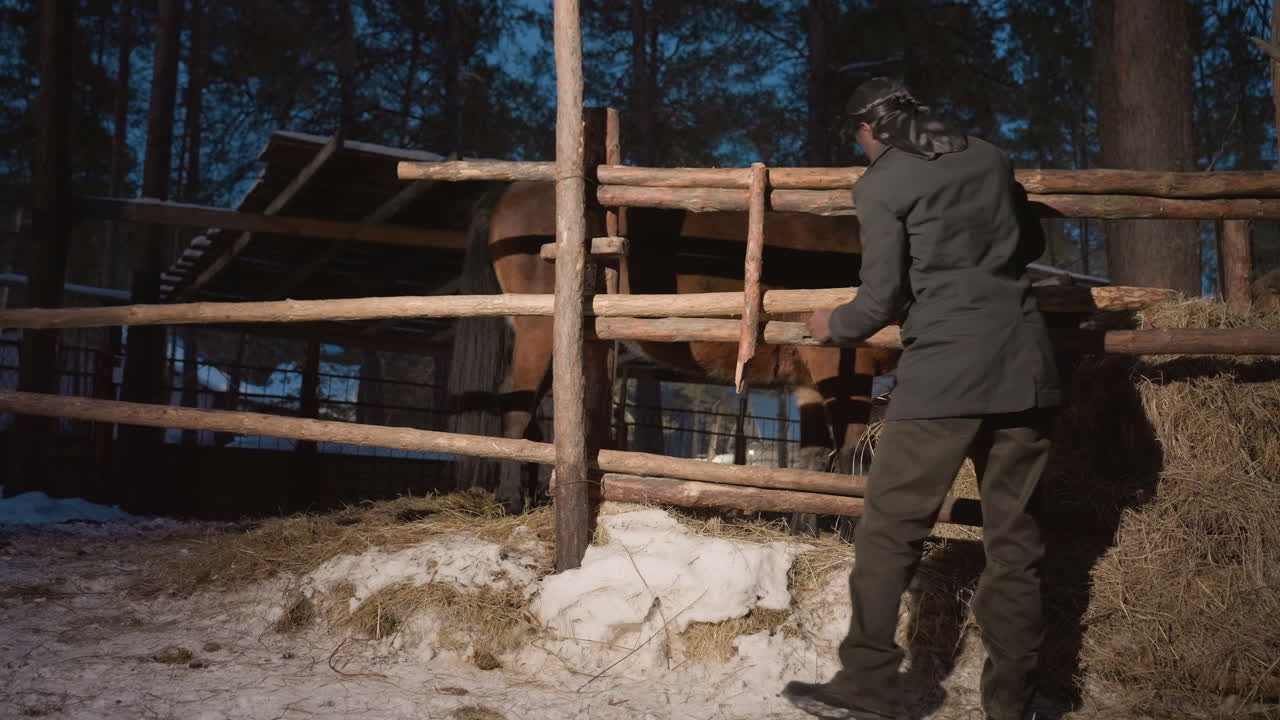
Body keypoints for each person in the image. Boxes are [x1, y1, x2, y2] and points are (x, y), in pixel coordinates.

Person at [781, 78, 1062, 720]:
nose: (860, 149)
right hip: (1026, 362)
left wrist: (835, 325)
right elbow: (1029, 245)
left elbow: (879, 296)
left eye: (858, 138)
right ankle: (1012, 702)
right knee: (1015, 540)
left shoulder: (881, 184)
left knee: (888, 530)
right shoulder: (989, 156)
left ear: (870, 128)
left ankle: (866, 684)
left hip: (946, 368)